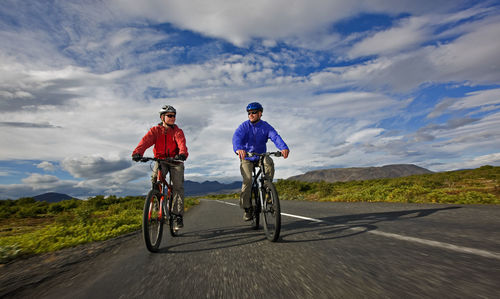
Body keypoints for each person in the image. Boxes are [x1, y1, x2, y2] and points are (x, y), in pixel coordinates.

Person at [132, 105, 188, 229]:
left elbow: (181, 143)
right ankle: (156, 201)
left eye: (174, 116)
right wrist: (138, 153)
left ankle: (178, 215)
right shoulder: (155, 131)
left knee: (177, 187)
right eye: (170, 115)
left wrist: (182, 154)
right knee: (155, 179)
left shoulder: (178, 131)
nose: (173, 118)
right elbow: (145, 141)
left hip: (175, 161)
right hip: (161, 160)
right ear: (162, 117)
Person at [232, 102, 289, 221]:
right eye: (249, 113)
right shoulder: (244, 126)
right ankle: (247, 209)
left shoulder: (266, 126)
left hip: (260, 156)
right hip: (247, 157)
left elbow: (275, 136)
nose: (250, 115)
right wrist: (238, 148)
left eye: (253, 112)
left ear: (260, 113)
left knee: (269, 162)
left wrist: (283, 147)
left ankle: (267, 190)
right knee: (247, 181)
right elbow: (236, 137)